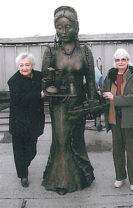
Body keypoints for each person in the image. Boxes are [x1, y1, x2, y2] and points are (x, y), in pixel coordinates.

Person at [41, 6, 96, 195]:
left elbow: (90, 81)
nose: (63, 32)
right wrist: (50, 91)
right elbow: (44, 81)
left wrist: (92, 103)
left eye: (68, 27)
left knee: (77, 139)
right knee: (62, 139)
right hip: (58, 105)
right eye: (59, 27)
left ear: (76, 27)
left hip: (78, 103)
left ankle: (83, 176)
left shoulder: (84, 51)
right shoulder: (50, 50)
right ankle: (62, 181)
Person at [102, 48, 133, 191]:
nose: (120, 62)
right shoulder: (111, 74)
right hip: (115, 117)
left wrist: (114, 98)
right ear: (115, 62)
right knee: (117, 150)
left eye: (123, 59)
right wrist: (102, 94)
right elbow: (104, 90)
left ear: (128, 60)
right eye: (117, 60)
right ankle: (120, 177)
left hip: (131, 118)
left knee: (131, 150)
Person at [7, 53, 45, 187]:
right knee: (19, 150)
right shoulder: (14, 81)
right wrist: (39, 95)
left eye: (27, 65)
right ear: (18, 67)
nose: (24, 68)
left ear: (32, 65)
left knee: (31, 150)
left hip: (34, 121)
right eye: (21, 65)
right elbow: (19, 99)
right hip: (19, 121)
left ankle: (24, 163)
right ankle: (23, 175)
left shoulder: (40, 76)